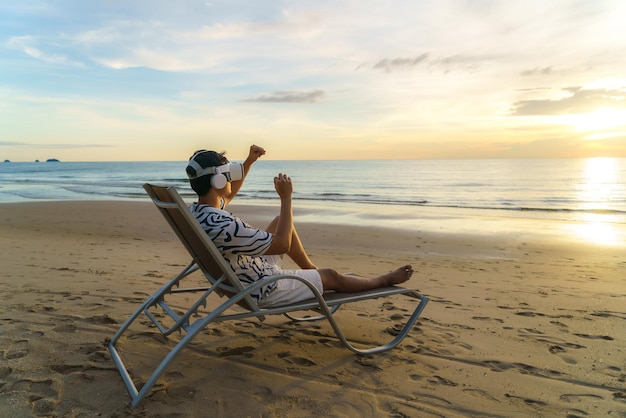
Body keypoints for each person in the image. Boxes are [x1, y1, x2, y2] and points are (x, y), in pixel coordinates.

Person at [186, 145, 414, 308]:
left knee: (278, 223)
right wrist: (286, 198)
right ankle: (383, 279)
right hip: (261, 288)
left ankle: (311, 272)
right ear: (218, 181)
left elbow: (228, 194)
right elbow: (282, 244)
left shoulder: (199, 213)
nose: (231, 181)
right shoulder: (225, 226)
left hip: (244, 272)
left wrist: (249, 163)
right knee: (333, 276)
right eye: (228, 175)